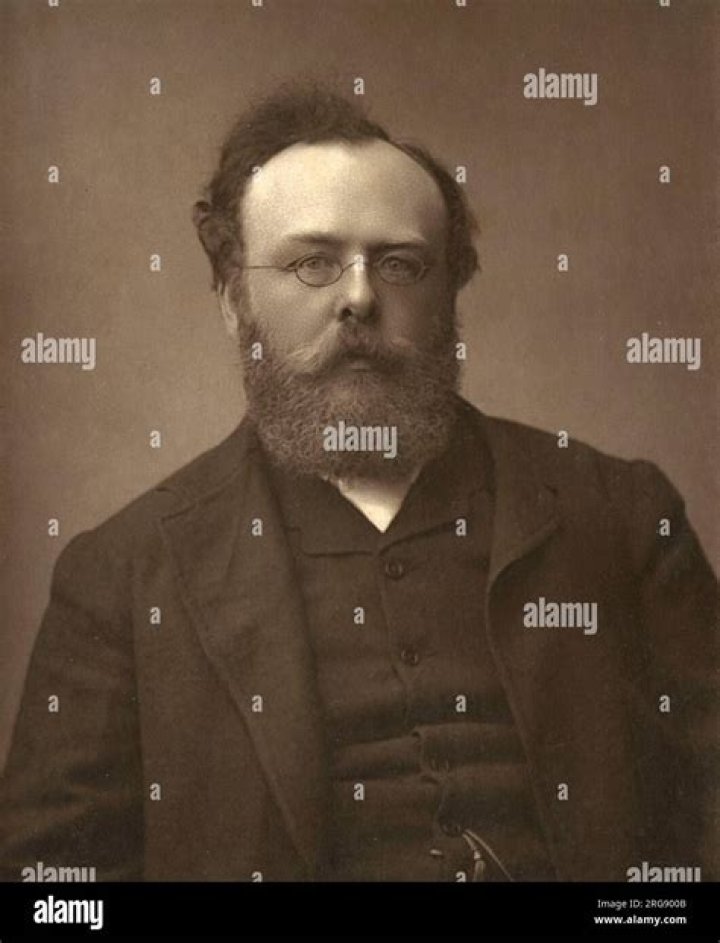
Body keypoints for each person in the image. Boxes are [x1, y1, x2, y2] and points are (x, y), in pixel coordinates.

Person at [1, 83, 716, 883]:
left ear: (450, 293)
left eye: (400, 264)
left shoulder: (621, 517)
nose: (359, 298)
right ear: (233, 299)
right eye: (312, 263)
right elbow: (53, 889)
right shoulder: (122, 578)